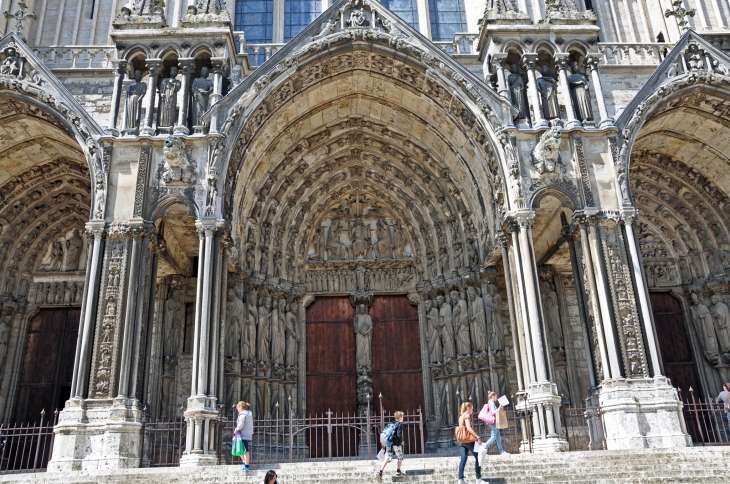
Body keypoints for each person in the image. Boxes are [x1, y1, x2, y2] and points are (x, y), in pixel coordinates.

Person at [457, 402, 486, 484]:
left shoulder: (461, 416)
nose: (472, 411)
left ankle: (460, 479)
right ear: (468, 408)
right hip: (469, 441)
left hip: (463, 441)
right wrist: (477, 437)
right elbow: (469, 428)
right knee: (478, 457)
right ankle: (478, 479)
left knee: (463, 459)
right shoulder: (466, 416)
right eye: (472, 409)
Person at [376, 411, 405, 482]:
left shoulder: (390, 423)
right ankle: (398, 471)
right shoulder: (399, 424)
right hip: (396, 443)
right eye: (402, 417)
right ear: (400, 417)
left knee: (388, 457)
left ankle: (380, 471)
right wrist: (402, 441)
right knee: (400, 457)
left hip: (389, 443)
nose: (403, 418)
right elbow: (399, 435)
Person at [483, 391, 507, 456]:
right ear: (492, 396)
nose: (497, 398)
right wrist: (499, 408)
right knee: (493, 436)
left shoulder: (491, 403)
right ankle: (483, 448)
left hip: (494, 422)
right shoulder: (491, 403)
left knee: (498, 436)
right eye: (496, 396)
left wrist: (500, 408)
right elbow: (493, 412)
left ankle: (501, 451)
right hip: (493, 422)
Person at [235, 401, 254, 470]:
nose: (237, 409)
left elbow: (241, 424)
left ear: (240, 407)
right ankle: (244, 463)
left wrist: (236, 429)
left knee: (245, 450)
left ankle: (246, 465)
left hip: (243, 434)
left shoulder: (243, 414)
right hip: (246, 434)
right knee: (241, 449)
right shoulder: (248, 414)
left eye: (237, 407)